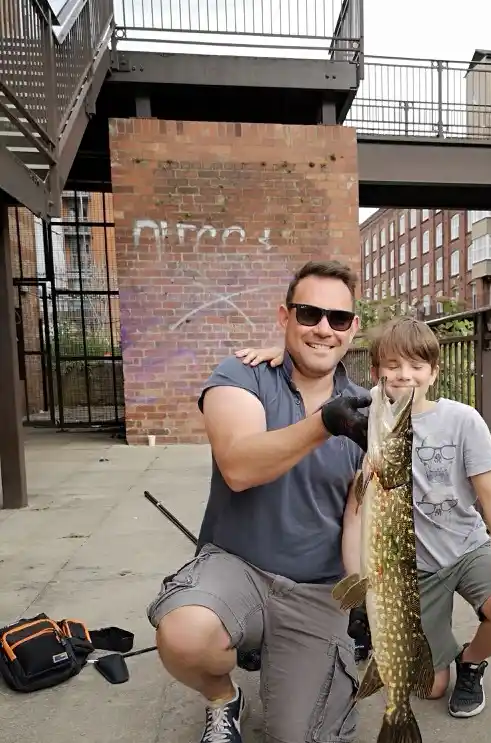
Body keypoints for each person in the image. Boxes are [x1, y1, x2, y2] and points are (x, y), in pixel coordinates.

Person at [235, 316, 491, 720]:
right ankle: (423, 653)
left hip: (467, 549)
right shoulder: (366, 414)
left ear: (434, 372)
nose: (405, 375)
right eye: (393, 366)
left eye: (416, 366)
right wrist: (286, 358)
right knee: (430, 688)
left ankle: (472, 660)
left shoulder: (463, 420)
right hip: (411, 573)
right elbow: (355, 508)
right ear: (376, 373)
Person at [146, 260, 374, 743]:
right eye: (309, 314)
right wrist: (324, 423)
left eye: (338, 319)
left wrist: (366, 593)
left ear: (354, 328)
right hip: (238, 566)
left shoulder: (370, 411)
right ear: (284, 316)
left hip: (318, 590)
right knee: (186, 633)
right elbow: (240, 466)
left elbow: (377, 507)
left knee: (298, 735)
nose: (323, 329)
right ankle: (222, 697)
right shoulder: (243, 374)